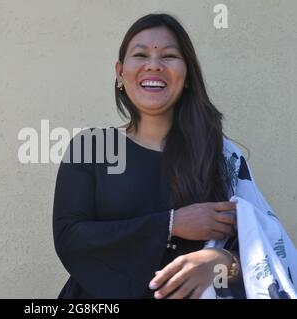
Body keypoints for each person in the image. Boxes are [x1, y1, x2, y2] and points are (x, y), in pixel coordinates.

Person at [52, 13, 246, 299]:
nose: (153, 65)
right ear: (120, 72)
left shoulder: (219, 155)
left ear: (188, 74)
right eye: (140, 54)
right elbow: (70, 237)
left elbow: (263, 255)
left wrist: (221, 263)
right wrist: (170, 224)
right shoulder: (91, 147)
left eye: (168, 56)